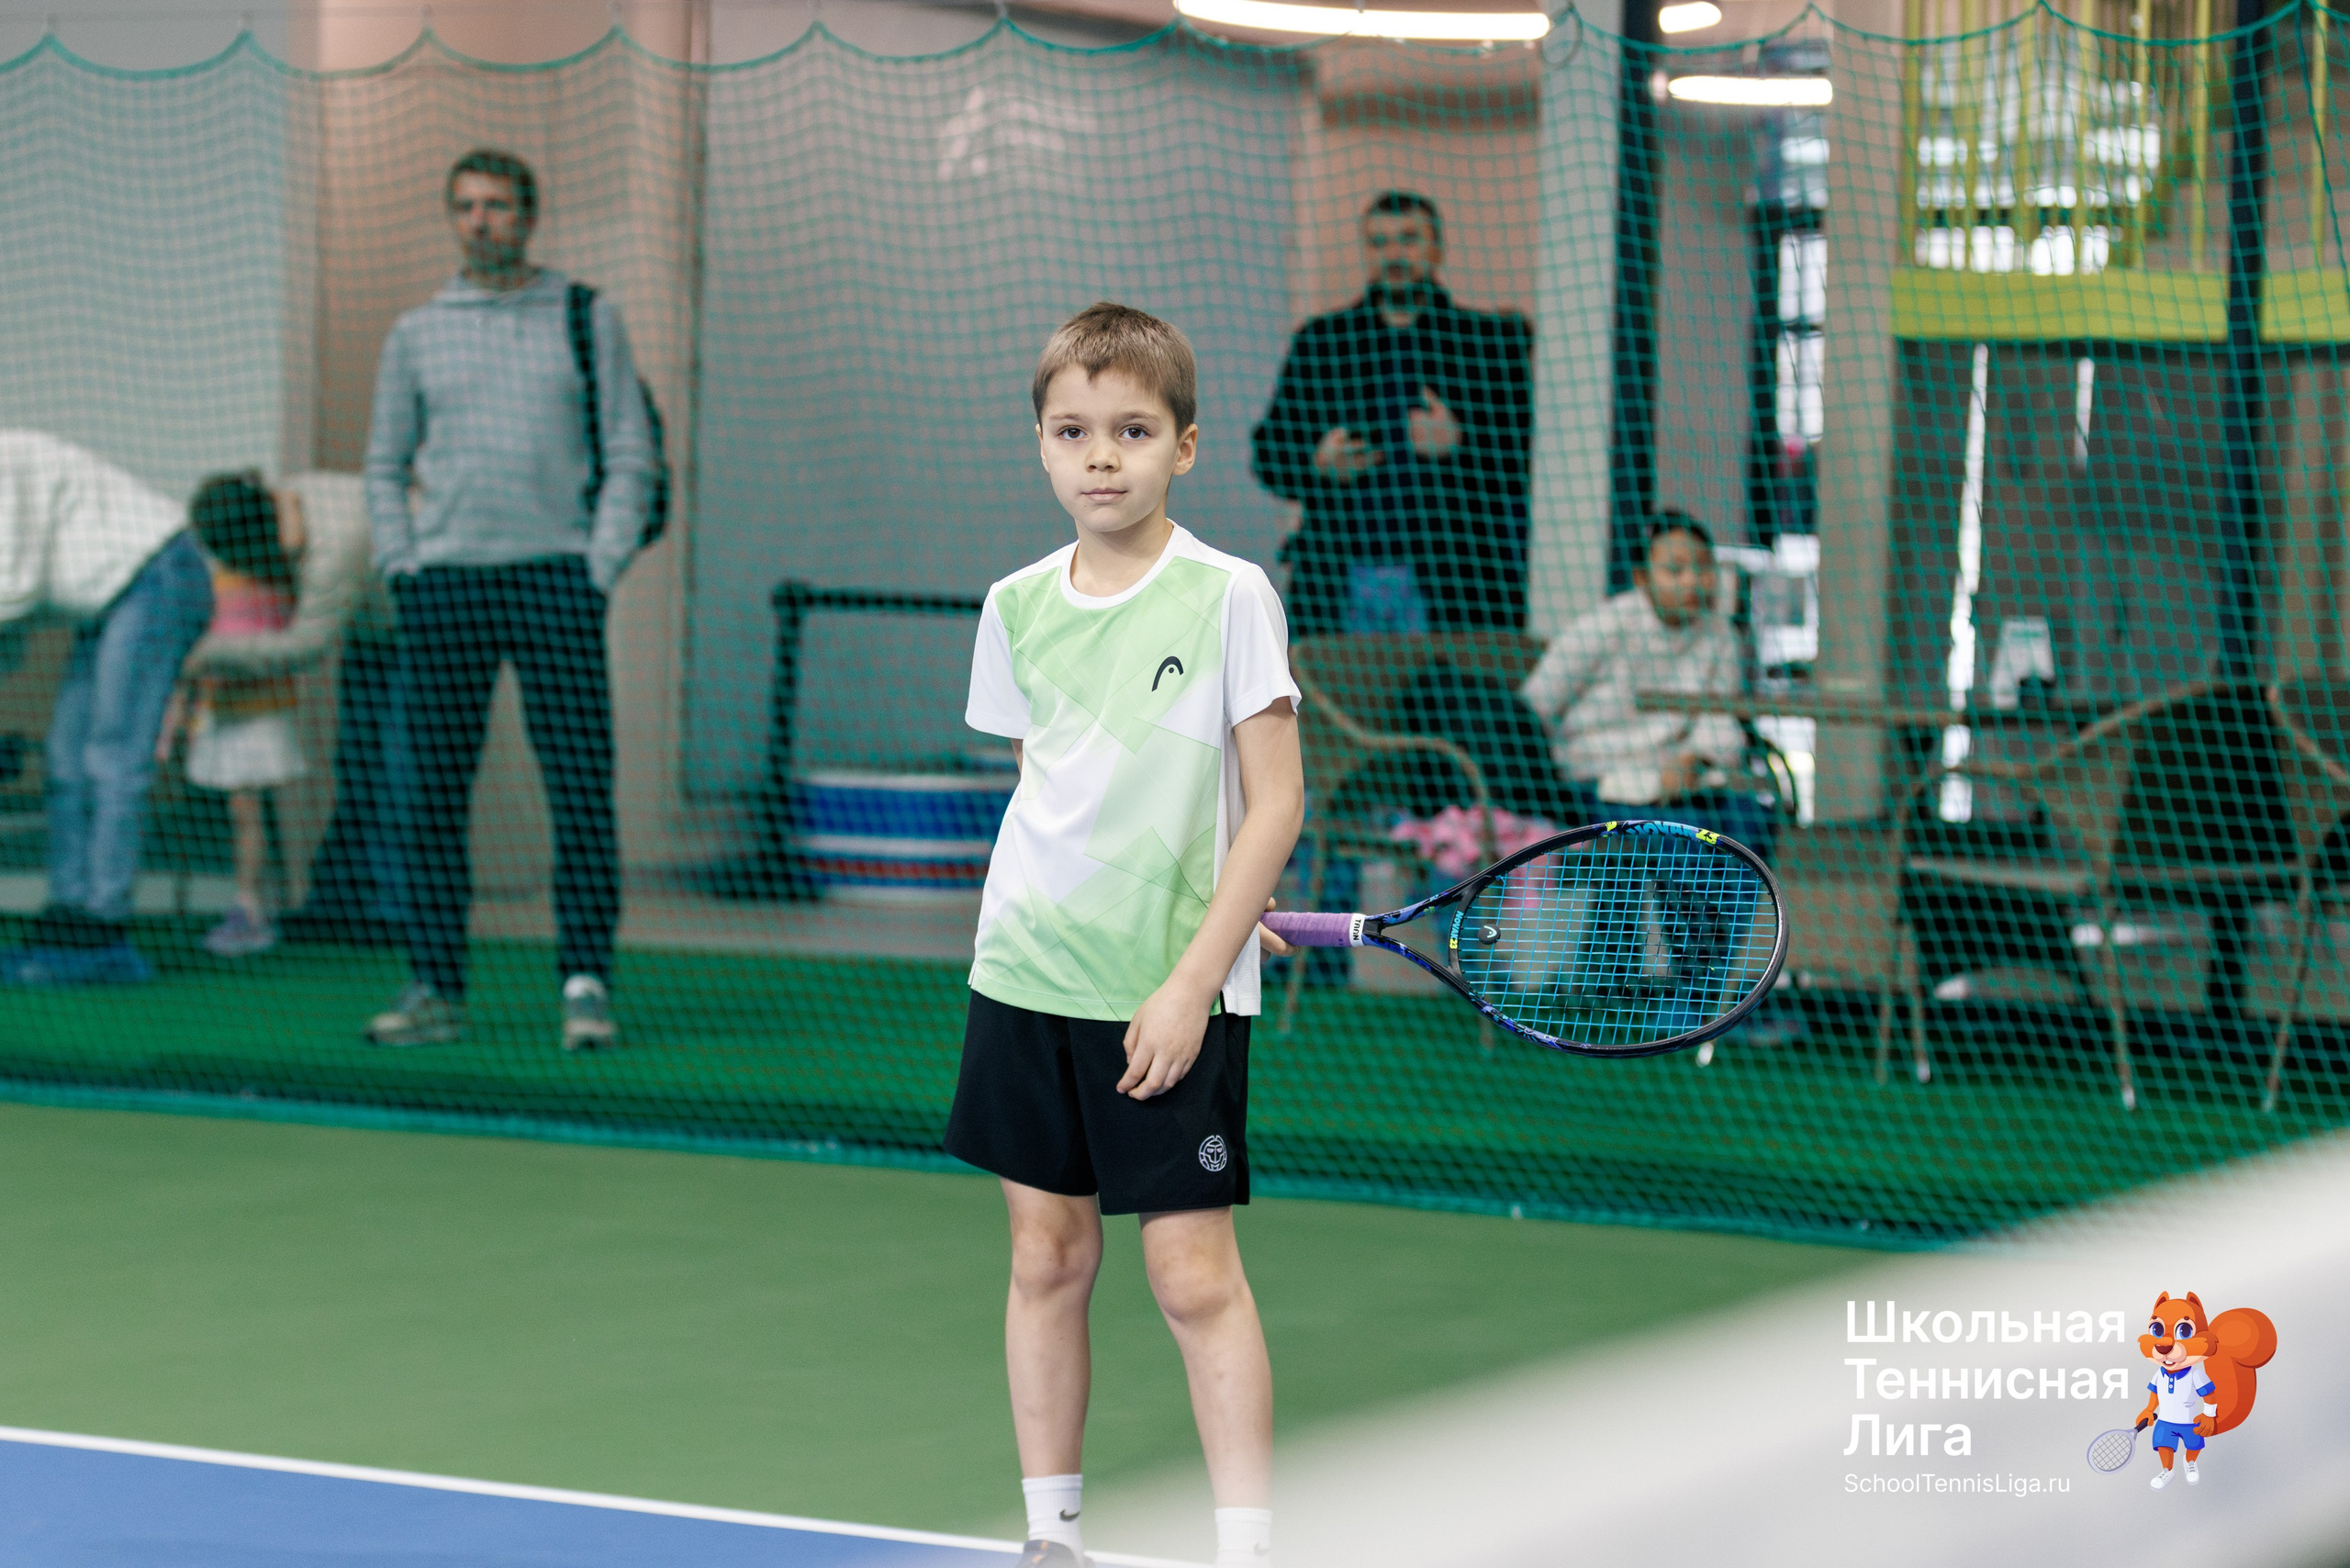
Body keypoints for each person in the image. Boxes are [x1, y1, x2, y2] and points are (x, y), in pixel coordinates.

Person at [949, 303, 1303, 1568]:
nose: (1103, 457)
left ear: (1185, 448)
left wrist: (1197, 976)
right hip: (1026, 974)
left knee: (1193, 1280)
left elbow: (1276, 803)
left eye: (1133, 431)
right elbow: (1052, 785)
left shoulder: (1228, 597)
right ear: (1042, 448)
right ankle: (1053, 1539)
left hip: (1164, 996)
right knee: (1045, 1258)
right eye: (1074, 431)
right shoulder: (1016, 606)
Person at [360, 147, 654, 1051]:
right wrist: (402, 564)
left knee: (579, 789)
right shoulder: (415, 331)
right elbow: (382, 464)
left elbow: (630, 452)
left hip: (553, 580)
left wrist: (595, 565)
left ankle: (585, 985)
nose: (480, 219)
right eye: (465, 206)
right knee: (427, 794)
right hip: (443, 588)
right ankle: (436, 987)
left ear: (528, 216)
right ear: (452, 219)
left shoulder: (583, 315)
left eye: (496, 204)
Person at [1250, 190, 1532, 637]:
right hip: (1338, 572)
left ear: (1436, 250)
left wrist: (1461, 446)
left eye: (1408, 240)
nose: (1394, 255)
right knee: (1334, 701)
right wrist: (1317, 465)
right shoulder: (1323, 343)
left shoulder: (1488, 345)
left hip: (1455, 578)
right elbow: (1268, 455)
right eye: (1379, 243)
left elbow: (1529, 460)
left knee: (1442, 703)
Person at [0, 431, 214, 986]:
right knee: (65, 759)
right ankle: (68, 910)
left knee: (113, 755)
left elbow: (11, 590)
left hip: (161, 575)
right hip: (115, 594)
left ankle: (103, 924)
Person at [179, 472, 403, 946]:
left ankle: (393, 909)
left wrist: (202, 655)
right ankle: (341, 903)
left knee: (401, 766)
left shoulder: (337, 542)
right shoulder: (282, 502)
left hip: (417, 628)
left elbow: (306, 646)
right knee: (361, 763)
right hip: (370, 629)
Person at [1517, 512, 1772, 858]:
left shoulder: (1721, 634)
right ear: (1641, 577)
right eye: (1675, 570)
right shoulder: (1604, 627)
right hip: (1595, 782)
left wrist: (1692, 758)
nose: (1694, 583)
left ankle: (1710, 916)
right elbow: (1533, 706)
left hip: (1678, 782)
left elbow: (1721, 718)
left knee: (1748, 821)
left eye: (1704, 568)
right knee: (1676, 839)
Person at [161, 472, 311, 957]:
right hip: (218, 714)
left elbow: (291, 529)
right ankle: (251, 905)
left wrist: (278, 493)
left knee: (247, 812)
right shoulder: (212, 582)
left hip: (259, 718)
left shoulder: (279, 571)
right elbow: (193, 663)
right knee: (238, 813)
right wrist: (174, 721)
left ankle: (249, 910)